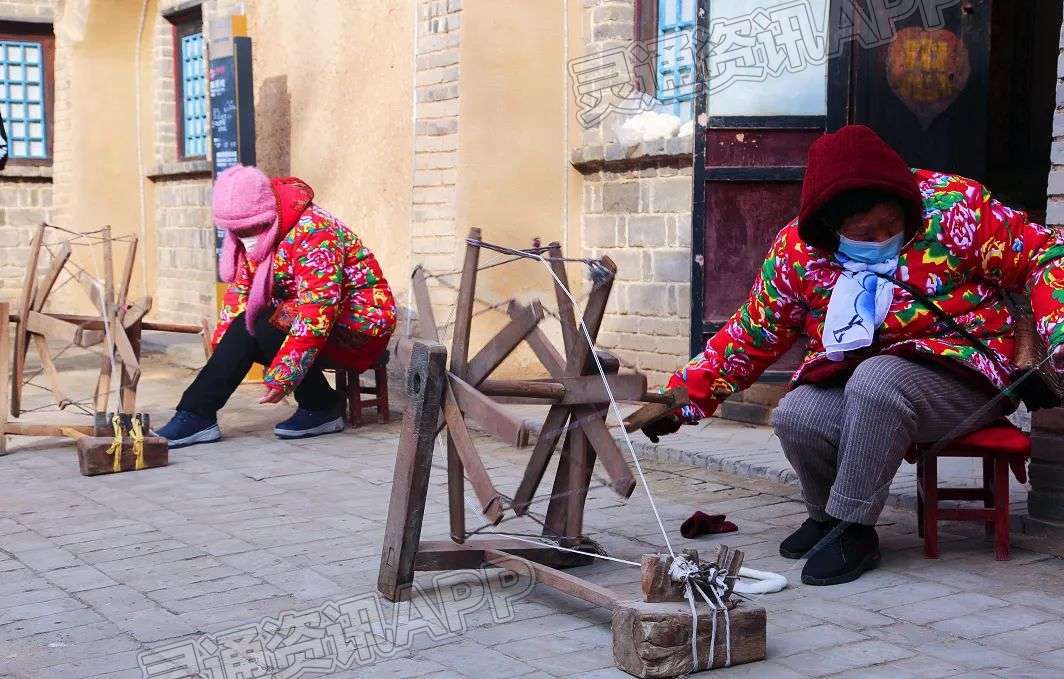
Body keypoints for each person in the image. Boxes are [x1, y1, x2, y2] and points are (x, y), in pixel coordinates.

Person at [646, 125, 1064, 586]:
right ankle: (827, 517)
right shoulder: (798, 253)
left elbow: (1046, 254)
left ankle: (855, 530)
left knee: (878, 381)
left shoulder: (955, 207)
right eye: (863, 233)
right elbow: (753, 331)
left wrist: (1059, 329)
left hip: (966, 373)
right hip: (857, 375)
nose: (881, 237)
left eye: (891, 226)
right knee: (798, 413)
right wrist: (682, 397)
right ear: (829, 230)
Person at [158, 165, 396, 447]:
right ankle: (196, 414)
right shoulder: (255, 234)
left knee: (265, 325)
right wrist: (224, 350)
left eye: (247, 228)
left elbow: (318, 309)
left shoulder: (314, 231)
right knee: (249, 326)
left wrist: (282, 377)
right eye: (234, 230)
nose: (242, 235)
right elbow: (240, 292)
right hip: (300, 316)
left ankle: (320, 407)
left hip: (360, 326)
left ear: (264, 215)